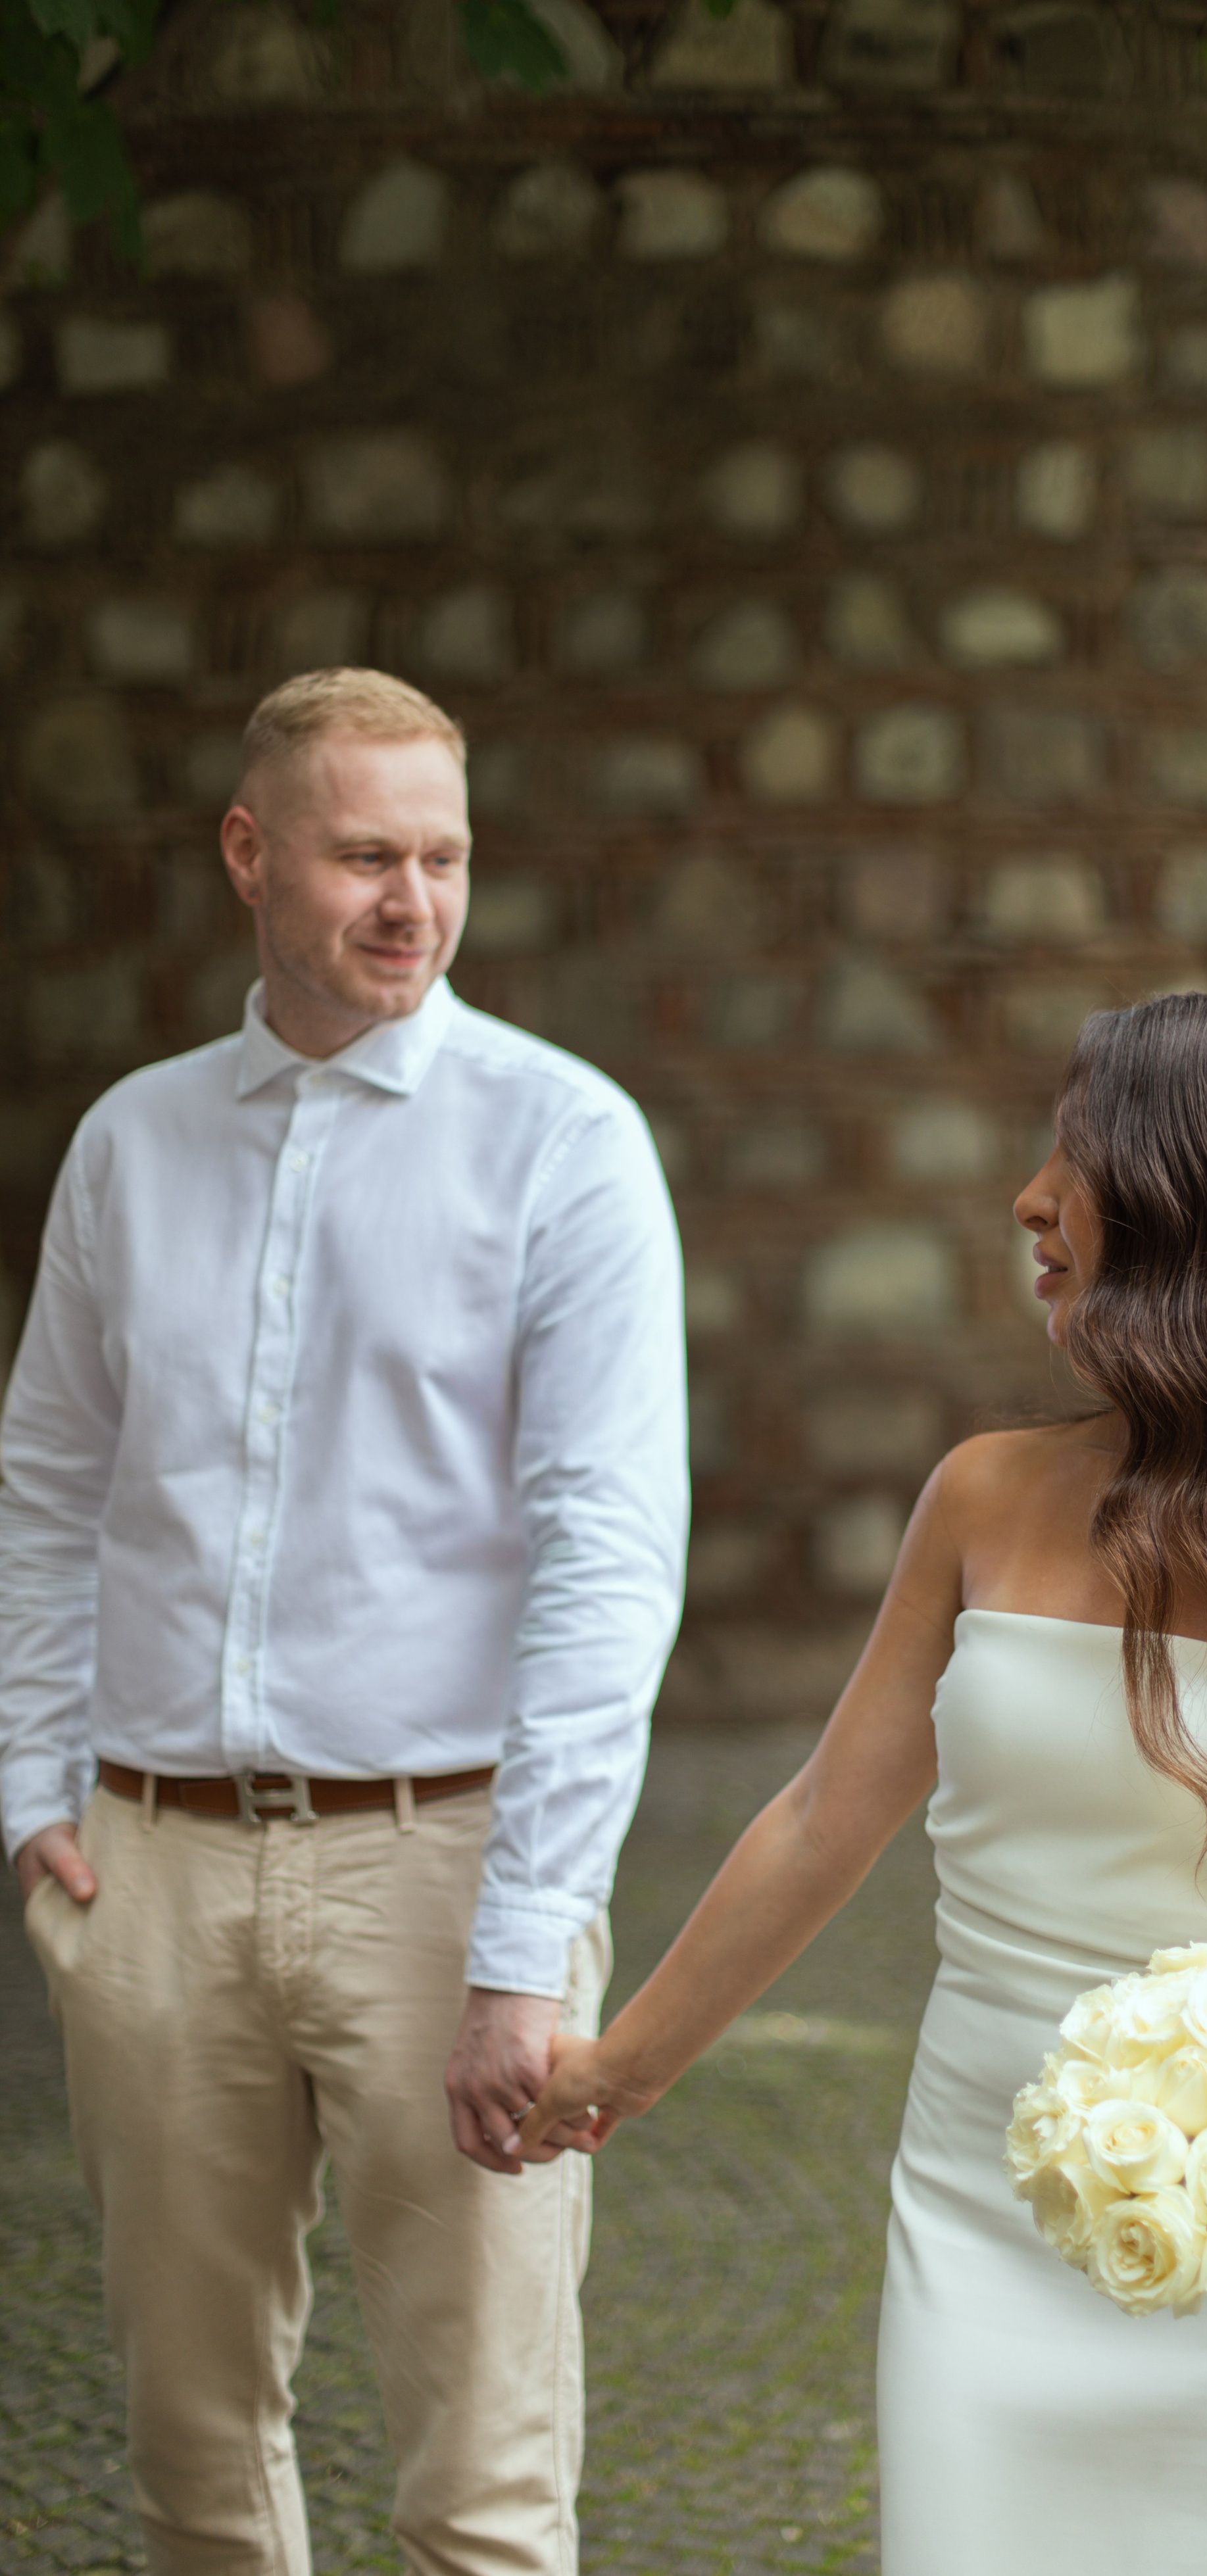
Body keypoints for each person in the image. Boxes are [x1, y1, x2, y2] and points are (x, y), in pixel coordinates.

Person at [517, 992, 1207, 2574]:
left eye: (1075, 1158)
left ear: (1199, 1205)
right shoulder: (984, 1495)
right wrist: (620, 2066)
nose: (1029, 1198)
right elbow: (826, 1814)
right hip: (979, 2218)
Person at [0, 668, 687, 2576]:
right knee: (189, 2469)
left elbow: (606, 1561)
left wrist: (526, 1940)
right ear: (250, 852)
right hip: (149, 1873)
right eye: (366, 854)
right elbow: (48, 1480)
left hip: (442, 1865)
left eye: (446, 855)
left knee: (481, 2493)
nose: (415, 901)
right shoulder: (131, 1146)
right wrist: (29, 1785)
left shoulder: (563, 1142)